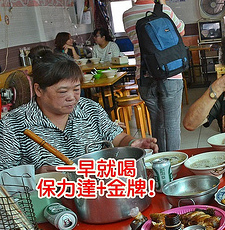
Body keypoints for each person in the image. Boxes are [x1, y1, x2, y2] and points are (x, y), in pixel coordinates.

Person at [0, 51, 158, 173]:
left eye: (76, 90)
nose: (72, 98)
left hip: (96, 193)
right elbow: (5, 175)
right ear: (38, 90)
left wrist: (133, 143)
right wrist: (35, 174)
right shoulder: (13, 125)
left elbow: (117, 137)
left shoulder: (89, 109)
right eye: (63, 92)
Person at [122, 0, 185, 152]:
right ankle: (173, 165)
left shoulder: (127, 15)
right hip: (170, 73)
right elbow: (180, 30)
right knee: (171, 125)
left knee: (156, 123)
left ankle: (159, 163)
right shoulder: (164, 10)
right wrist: (163, 5)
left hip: (144, 75)